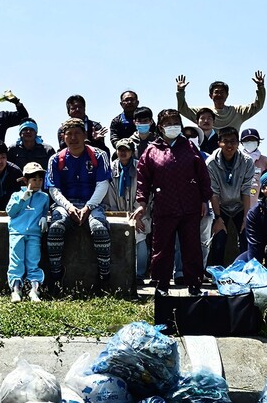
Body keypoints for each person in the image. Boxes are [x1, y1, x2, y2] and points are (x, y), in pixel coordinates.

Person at [133, 110, 213, 296]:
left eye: (176, 122)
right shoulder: (151, 150)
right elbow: (143, 180)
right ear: (160, 127)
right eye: (168, 123)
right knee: (162, 248)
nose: (172, 126)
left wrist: (204, 199)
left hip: (190, 206)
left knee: (192, 247)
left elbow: (203, 175)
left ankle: (194, 286)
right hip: (164, 207)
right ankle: (161, 286)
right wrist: (142, 203)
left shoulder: (189, 147)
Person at [46, 118, 113, 283]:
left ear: (85, 135)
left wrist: (88, 207)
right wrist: (69, 207)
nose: (73, 138)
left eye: (77, 133)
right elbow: (54, 189)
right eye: (69, 134)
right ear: (63, 137)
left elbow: (103, 184)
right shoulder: (55, 159)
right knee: (55, 228)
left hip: (93, 204)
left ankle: (104, 276)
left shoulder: (99, 155)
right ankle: (56, 276)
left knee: (99, 229)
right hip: (65, 204)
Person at [205, 127, 258, 266]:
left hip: (240, 205)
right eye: (226, 141)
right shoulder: (211, 163)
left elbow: (246, 190)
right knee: (219, 238)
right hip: (220, 205)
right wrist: (218, 218)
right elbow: (213, 193)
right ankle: (217, 272)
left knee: (246, 236)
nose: (229, 145)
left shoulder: (247, 161)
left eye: (233, 141)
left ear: (238, 143)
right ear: (219, 143)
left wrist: (246, 217)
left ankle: (248, 270)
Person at [103, 139, 150, 281]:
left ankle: (140, 274)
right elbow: (109, 194)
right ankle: (119, 273)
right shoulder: (110, 169)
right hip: (117, 211)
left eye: (127, 150)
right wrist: (119, 215)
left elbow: (145, 191)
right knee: (117, 240)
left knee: (140, 238)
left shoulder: (141, 167)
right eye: (120, 149)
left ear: (132, 152)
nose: (123, 152)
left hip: (139, 212)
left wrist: (137, 214)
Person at [6, 162, 50, 303]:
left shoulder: (44, 197)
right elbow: (11, 212)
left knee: (33, 261)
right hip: (17, 233)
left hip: (34, 234)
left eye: (40, 179)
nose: (37, 182)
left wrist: (44, 217)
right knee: (16, 262)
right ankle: (16, 290)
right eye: (34, 179)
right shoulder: (16, 195)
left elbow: (44, 210)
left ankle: (34, 290)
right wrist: (23, 198)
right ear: (25, 180)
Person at [175, 71, 266, 131]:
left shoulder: (237, 112)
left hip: (231, 152)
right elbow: (183, 109)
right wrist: (180, 91)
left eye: (222, 92)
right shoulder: (204, 114)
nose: (219, 95)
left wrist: (260, 87)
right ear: (210, 96)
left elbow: (258, 106)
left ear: (227, 95)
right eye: (216, 92)